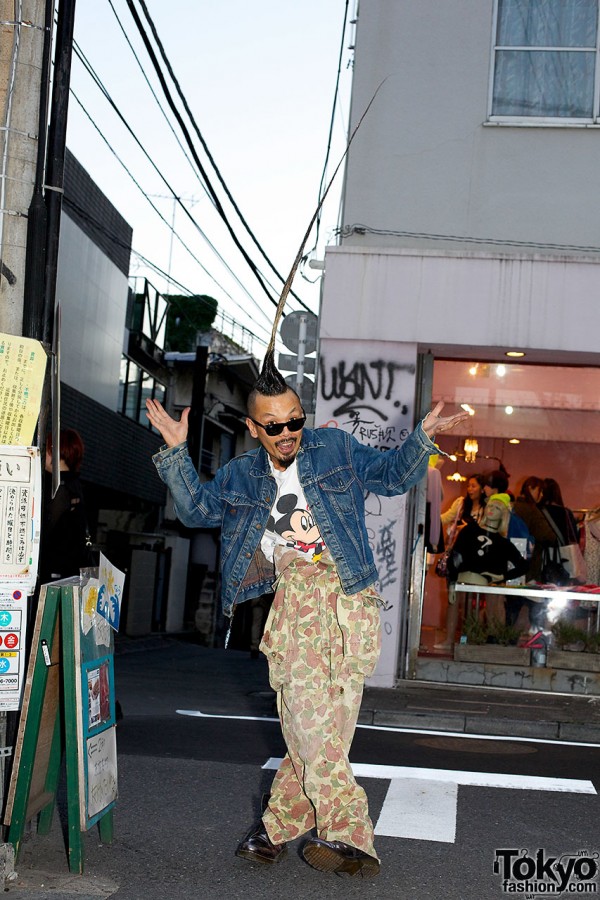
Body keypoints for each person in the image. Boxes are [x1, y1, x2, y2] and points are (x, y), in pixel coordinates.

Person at [146, 360, 467, 879]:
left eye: (294, 420)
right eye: (273, 426)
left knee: (326, 733)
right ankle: (349, 834)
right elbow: (198, 510)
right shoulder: (241, 474)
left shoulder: (333, 449)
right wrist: (178, 452)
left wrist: (420, 439)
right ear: (253, 429)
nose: (287, 433)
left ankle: (273, 828)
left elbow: (387, 477)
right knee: (312, 724)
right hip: (296, 605)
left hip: (351, 603)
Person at [447, 493, 528, 626]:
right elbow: (455, 558)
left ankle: (491, 640)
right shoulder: (470, 531)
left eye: (496, 508)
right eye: (489, 506)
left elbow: (523, 566)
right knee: (464, 616)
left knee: (490, 616)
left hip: (486, 589)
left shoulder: (503, 544)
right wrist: (452, 583)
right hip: (464, 585)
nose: (490, 510)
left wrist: (502, 576)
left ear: (503, 514)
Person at [39, 428, 91, 584]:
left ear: (54, 452)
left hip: (53, 576)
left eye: (45, 449)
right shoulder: (75, 486)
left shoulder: (58, 489)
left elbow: (45, 532)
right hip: (68, 575)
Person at [512, 477, 556, 582]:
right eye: (540, 491)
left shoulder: (511, 506)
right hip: (529, 563)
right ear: (530, 488)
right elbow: (548, 536)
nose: (541, 495)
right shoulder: (532, 510)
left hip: (508, 561)